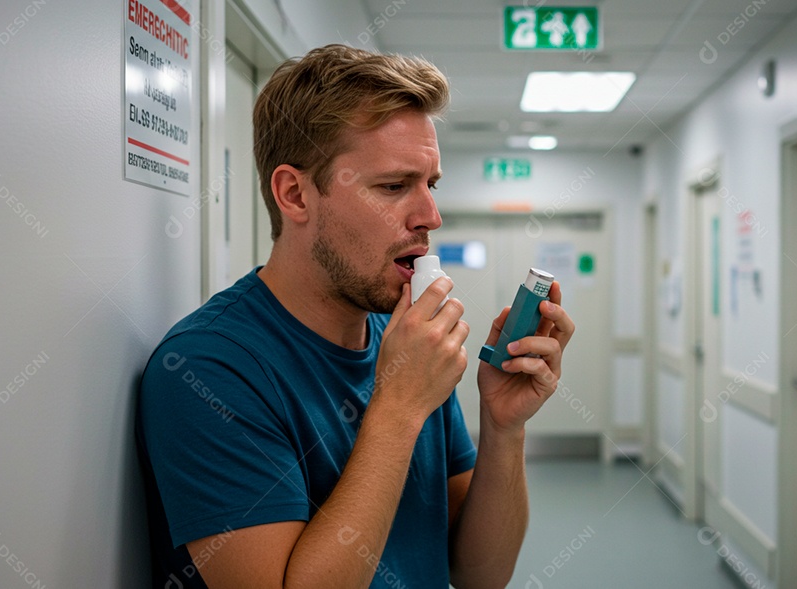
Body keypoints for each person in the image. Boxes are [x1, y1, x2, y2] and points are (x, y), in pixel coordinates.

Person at [136, 44, 575, 589]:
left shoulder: (405, 341)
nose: (430, 216)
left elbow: (480, 574)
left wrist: (504, 427)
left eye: (430, 184)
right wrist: (397, 407)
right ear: (295, 194)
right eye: (393, 186)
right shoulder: (209, 369)